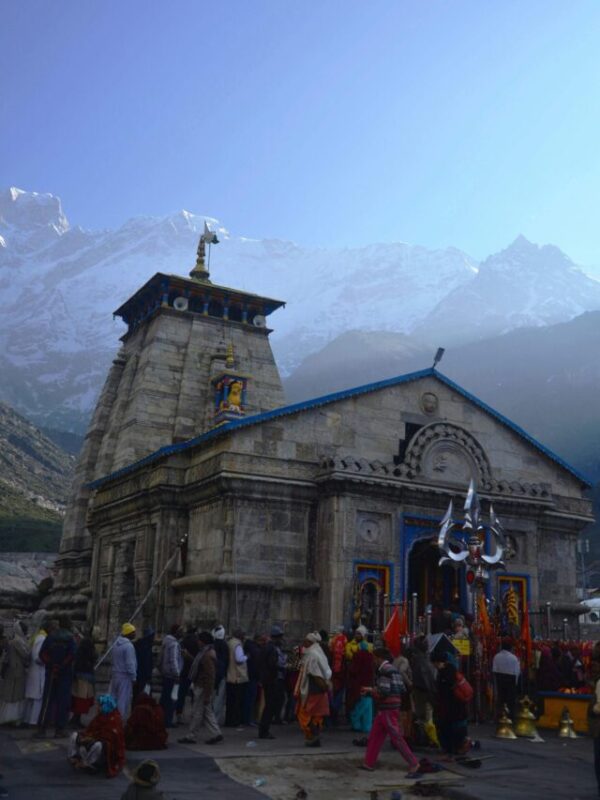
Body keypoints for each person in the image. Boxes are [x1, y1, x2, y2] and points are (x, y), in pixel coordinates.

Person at [360, 647, 422, 776]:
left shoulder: (384, 670)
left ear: (379, 658)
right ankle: (368, 762)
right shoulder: (393, 669)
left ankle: (414, 763)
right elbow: (402, 688)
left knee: (396, 738)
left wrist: (370, 691)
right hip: (391, 707)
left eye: (374, 658)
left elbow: (383, 692)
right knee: (375, 736)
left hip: (387, 708)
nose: (373, 661)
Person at [178, 631, 223, 745]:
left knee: (197, 712)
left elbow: (210, 676)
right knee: (207, 712)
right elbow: (199, 665)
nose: (197, 642)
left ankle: (192, 735)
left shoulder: (207, 655)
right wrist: (188, 657)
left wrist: (208, 694)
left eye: (199, 640)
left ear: (203, 642)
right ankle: (215, 733)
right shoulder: (204, 653)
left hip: (202, 687)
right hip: (203, 686)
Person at [67, 694, 125, 777]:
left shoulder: (115, 719)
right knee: (74, 735)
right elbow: (90, 730)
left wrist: (91, 738)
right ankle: (73, 757)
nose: (97, 707)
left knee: (98, 745)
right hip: (93, 739)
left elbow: (110, 738)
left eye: (100, 705)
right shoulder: (100, 716)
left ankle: (89, 763)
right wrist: (86, 737)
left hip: (106, 746)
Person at [37, 615, 76, 737]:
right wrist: (61, 666)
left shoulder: (51, 637)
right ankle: (59, 729)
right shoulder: (70, 638)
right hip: (64, 674)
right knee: (63, 702)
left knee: (47, 700)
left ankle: (42, 729)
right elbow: (72, 655)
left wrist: (52, 665)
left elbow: (42, 654)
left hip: (51, 672)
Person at [295, 631, 331, 747]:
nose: (303, 643)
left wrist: (324, 686)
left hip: (313, 690)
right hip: (318, 689)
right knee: (315, 715)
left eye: (305, 641)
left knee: (305, 714)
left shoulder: (312, 655)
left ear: (310, 642)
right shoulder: (316, 652)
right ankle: (313, 737)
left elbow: (315, 674)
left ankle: (314, 737)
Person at [432, 650, 470, 758]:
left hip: (451, 708)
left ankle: (452, 749)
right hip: (457, 708)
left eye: (434, 663)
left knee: (449, 729)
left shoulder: (445, 673)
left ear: (437, 662)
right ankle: (456, 748)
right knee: (455, 729)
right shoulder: (452, 669)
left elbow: (444, 693)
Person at [409, 635, 440, 748]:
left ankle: (425, 739)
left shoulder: (420, 658)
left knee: (424, 717)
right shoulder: (420, 659)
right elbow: (427, 679)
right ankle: (424, 739)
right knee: (424, 717)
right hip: (423, 692)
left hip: (422, 692)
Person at [258, 626, 287, 739]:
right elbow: (273, 664)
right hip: (271, 680)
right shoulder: (271, 648)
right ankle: (264, 730)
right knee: (270, 706)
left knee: (270, 705)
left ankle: (264, 729)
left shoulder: (267, 647)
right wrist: (281, 666)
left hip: (268, 679)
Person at [0, 621, 30, 725]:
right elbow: (26, 655)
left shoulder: (16, 640)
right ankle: (13, 718)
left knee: (12, 695)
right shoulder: (17, 641)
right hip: (16, 671)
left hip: (14, 671)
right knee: (15, 695)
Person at [110, 623, 137, 721]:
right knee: (122, 699)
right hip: (125, 676)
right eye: (133, 632)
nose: (135, 634)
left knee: (113, 697)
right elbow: (130, 663)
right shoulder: (129, 646)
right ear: (129, 633)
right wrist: (133, 677)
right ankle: (118, 720)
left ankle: (110, 718)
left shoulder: (116, 644)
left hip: (115, 673)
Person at [24, 613, 48, 726]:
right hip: (38, 670)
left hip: (35, 670)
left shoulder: (38, 637)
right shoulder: (42, 638)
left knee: (31, 698)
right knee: (37, 698)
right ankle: (32, 721)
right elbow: (37, 656)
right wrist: (47, 661)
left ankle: (27, 719)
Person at [347, 640, 374, 734]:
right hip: (369, 683)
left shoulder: (357, 655)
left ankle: (356, 725)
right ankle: (367, 726)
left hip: (358, 683)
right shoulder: (371, 656)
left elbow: (354, 670)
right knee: (368, 708)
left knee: (358, 705)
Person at [71, 627, 96, 727]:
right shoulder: (87, 644)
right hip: (84, 676)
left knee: (78, 698)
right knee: (81, 699)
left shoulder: (82, 645)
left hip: (80, 675)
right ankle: (76, 719)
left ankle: (75, 718)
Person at [158, 624, 183, 728]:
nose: (182, 633)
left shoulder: (166, 642)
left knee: (165, 698)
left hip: (166, 673)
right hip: (172, 675)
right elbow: (173, 660)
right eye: (180, 631)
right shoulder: (173, 644)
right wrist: (177, 673)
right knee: (171, 699)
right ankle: (167, 720)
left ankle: (162, 718)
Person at [492, 639, 521, 722]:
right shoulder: (514, 658)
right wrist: (515, 683)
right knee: (510, 700)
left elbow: (494, 670)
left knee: (501, 699)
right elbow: (517, 672)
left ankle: (500, 716)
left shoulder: (496, 656)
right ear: (511, 648)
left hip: (499, 679)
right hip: (511, 679)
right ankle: (510, 717)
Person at [225, 629, 248, 728]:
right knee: (236, 701)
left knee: (230, 701)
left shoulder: (229, 642)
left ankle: (228, 720)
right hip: (237, 677)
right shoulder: (238, 645)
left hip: (230, 675)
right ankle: (235, 721)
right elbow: (239, 659)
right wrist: (246, 657)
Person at [176, 626, 199, 725]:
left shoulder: (183, 641)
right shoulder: (197, 642)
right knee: (195, 694)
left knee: (181, 694)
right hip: (194, 671)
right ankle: (194, 715)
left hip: (183, 671)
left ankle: (179, 714)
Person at [329, 626, 347, 725]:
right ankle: (333, 714)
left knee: (333, 695)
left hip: (334, 673)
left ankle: (332, 715)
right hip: (338, 674)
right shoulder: (343, 640)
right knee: (337, 697)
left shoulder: (332, 641)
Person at [211, 624, 229, 725]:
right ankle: (214, 719)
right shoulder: (223, 645)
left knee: (212, 698)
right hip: (221, 674)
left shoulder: (213, 644)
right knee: (218, 699)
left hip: (214, 673)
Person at [133, 628, 155, 699]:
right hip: (143, 676)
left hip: (138, 674)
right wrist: (148, 675)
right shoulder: (145, 647)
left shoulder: (140, 644)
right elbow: (146, 663)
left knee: (137, 695)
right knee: (143, 695)